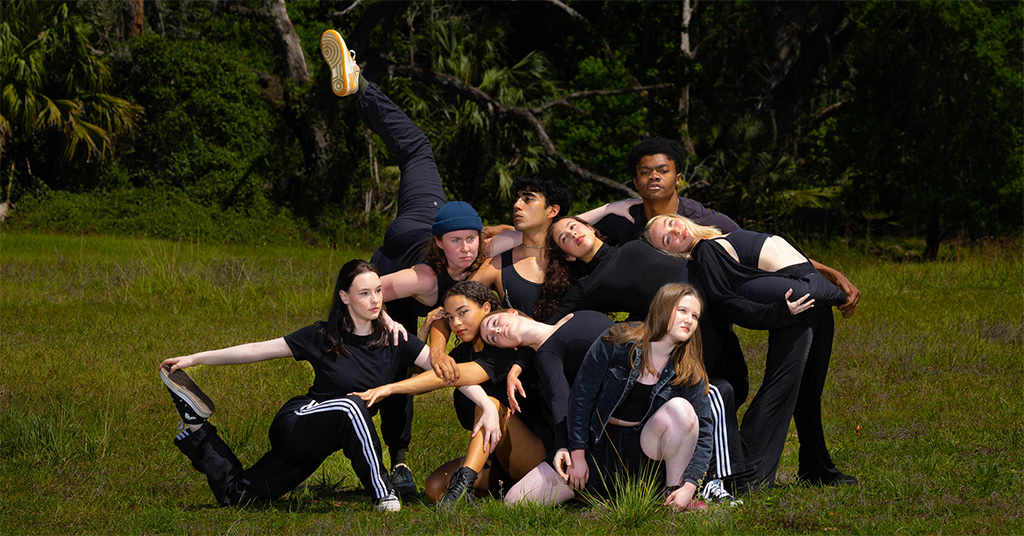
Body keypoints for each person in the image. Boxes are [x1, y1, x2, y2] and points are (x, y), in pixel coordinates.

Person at [321, 29, 489, 494]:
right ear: (447, 245)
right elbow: (371, 291)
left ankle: (359, 86)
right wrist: (387, 324)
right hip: (397, 261)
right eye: (460, 244)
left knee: (416, 147)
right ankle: (396, 461)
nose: (468, 250)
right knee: (392, 355)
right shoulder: (422, 275)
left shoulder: (480, 245)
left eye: (472, 241)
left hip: (426, 216)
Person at [157, 259, 433, 512]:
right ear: (344, 297)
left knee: (239, 495)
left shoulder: (396, 339)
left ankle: (195, 425)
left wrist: (478, 397)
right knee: (352, 404)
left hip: (321, 442)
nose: (374, 300)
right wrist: (195, 359)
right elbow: (256, 350)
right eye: (364, 293)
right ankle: (383, 494)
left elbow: (447, 371)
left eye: (378, 291)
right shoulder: (321, 335)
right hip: (298, 423)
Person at [644, 213, 857, 489]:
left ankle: (816, 467)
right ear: (667, 251)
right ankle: (747, 472)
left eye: (671, 223)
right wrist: (780, 310)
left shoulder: (716, 237)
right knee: (782, 387)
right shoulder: (705, 251)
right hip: (797, 312)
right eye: (666, 239)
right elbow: (727, 299)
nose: (675, 232)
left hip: (811, 308)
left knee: (808, 392)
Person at [580, 137, 860, 318]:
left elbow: (762, 255)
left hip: (707, 313)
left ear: (678, 179)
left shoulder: (702, 219)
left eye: (663, 171)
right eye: (645, 172)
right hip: (648, 313)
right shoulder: (624, 219)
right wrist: (607, 208)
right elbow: (562, 232)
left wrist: (831, 274)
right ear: (635, 181)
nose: (654, 176)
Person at [505, 283, 712, 511]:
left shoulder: (689, 368)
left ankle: (673, 495)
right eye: (682, 310)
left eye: (695, 316)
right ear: (663, 307)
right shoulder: (618, 340)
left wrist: (690, 485)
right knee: (515, 502)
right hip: (598, 445)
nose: (690, 320)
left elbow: (703, 430)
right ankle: (596, 491)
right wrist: (578, 454)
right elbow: (581, 398)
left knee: (681, 410)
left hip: (642, 454)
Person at [351, 281, 550, 506]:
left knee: (491, 405)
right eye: (450, 317)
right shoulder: (463, 352)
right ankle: (497, 494)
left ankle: (463, 485)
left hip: (535, 454)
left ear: (486, 308)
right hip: (497, 460)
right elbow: (414, 375)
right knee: (435, 488)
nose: (456, 323)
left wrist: (389, 388)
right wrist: (425, 330)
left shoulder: (502, 348)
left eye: (463, 313)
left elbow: (446, 377)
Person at [477, 309, 615, 454]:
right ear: (511, 347)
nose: (497, 331)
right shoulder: (546, 356)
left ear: (512, 312)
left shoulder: (569, 314)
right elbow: (560, 398)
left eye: (494, 322)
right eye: (492, 338)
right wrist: (563, 447)